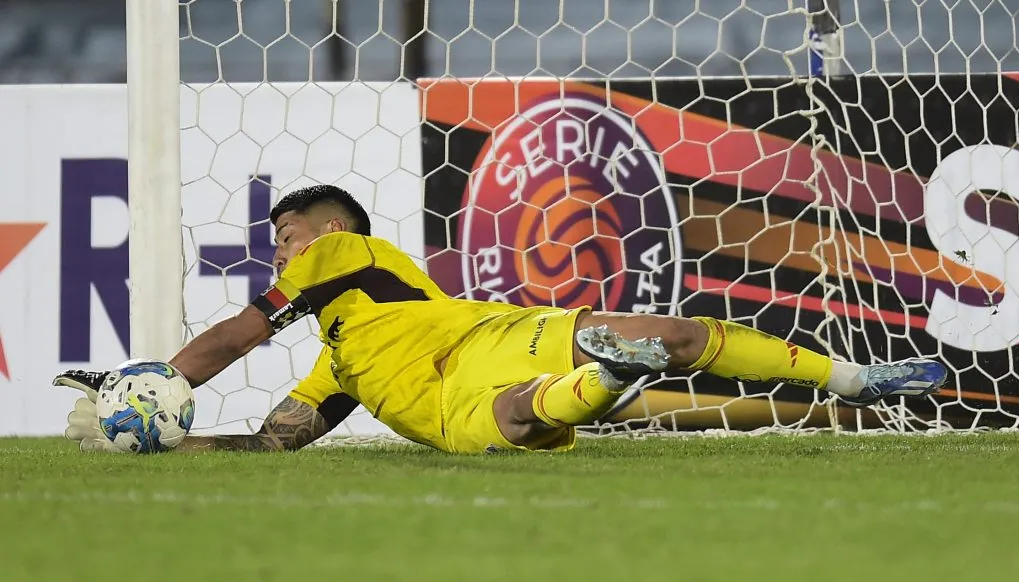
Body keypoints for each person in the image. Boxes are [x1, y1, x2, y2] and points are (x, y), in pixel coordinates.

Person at [54, 185, 948, 454]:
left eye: (285, 238)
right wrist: (165, 440)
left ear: (327, 234)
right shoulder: (340, 361)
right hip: (451, 406)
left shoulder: (345, 254)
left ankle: (856, 377)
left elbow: (238, 335)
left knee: (667, 333)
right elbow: (278, 439)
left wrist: (155, 381)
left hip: (486, 331)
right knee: (527, 411)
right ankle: (606, 375)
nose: (280, 254)